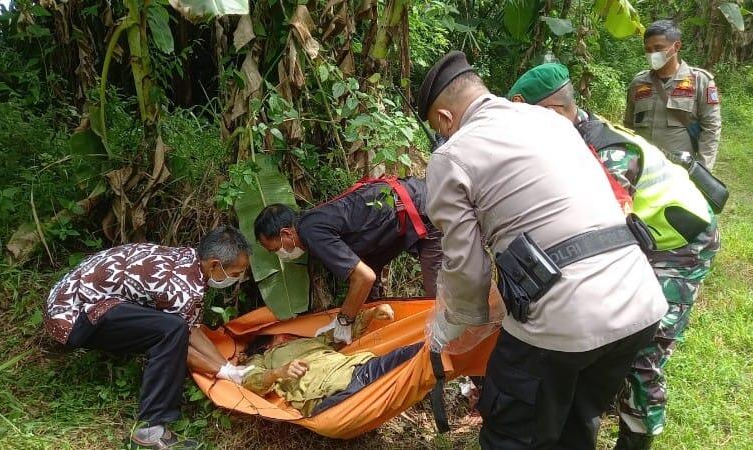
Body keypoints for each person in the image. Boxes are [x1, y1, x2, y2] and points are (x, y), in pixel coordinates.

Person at [418, 51, 667, 450]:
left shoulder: (452, 155)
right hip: (640, 299)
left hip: (565, 318)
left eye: (439, 129)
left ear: (445, 120)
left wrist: (458, 322)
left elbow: (466, 265)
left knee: (511, 433)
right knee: (576, 424)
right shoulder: (550, 119)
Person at [508, 63, 721, 450]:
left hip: (680, 245)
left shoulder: (603, 152)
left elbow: (603, 240)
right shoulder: (573, 137)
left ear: (553, 112)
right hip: (646, 238)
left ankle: (637, 436)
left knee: (644, 350)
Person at [44, 227, 254, 450]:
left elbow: (191, 329)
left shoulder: (187, 260)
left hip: (71, 301)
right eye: (234, 274)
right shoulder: (181, 287)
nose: (238, 278)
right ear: (213, 265)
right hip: (72, 318)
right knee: (171, 330)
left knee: (174, 328)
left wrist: (226, 366)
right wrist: (223, 373)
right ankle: (149, 432)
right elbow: (179, 343)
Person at [253, 179, 442, 345]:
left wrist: (344, 321)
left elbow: (364, 277)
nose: (279, 254)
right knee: (369, 301)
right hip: (414, 204)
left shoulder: (311, 232)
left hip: (426, 210)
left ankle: (454, 366)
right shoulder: (314, 224)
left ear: (286, 233)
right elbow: (365, 269)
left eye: (275, 249)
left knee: (439, 303)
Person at [232, 304, 422, 416]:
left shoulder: (311, 341)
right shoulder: (262, 358)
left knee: (420, 352)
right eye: (280, 335)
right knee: (350, 407)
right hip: (328, 397)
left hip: (360, 369)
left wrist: (372, 312)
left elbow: (342, 335)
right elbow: (251, 381)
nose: (288, 335)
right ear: (268, 342)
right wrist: (278, 373)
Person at [625, 19, 721, 170]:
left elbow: (711, 129)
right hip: (642, 167)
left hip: (680, 170)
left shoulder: (700, 81)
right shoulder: (638, 83)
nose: (652, 54)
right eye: (648, 49)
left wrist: (702, 171)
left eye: (658, 48)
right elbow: (628, 126)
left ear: (676, 46)